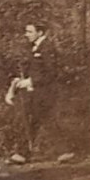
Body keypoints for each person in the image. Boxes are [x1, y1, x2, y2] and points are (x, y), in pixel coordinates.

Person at [8, 20, 55, 158]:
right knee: (30, 119)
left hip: (46, 92)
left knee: (46, 120)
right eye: (26, 31)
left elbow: (52, 73)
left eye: (29, 31)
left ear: (39, 32)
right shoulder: (34, 47)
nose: (26, 34)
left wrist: (31, 81)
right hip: (34, 92)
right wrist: (20, 80)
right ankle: (23, 153)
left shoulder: (48, 48)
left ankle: (64, 151)